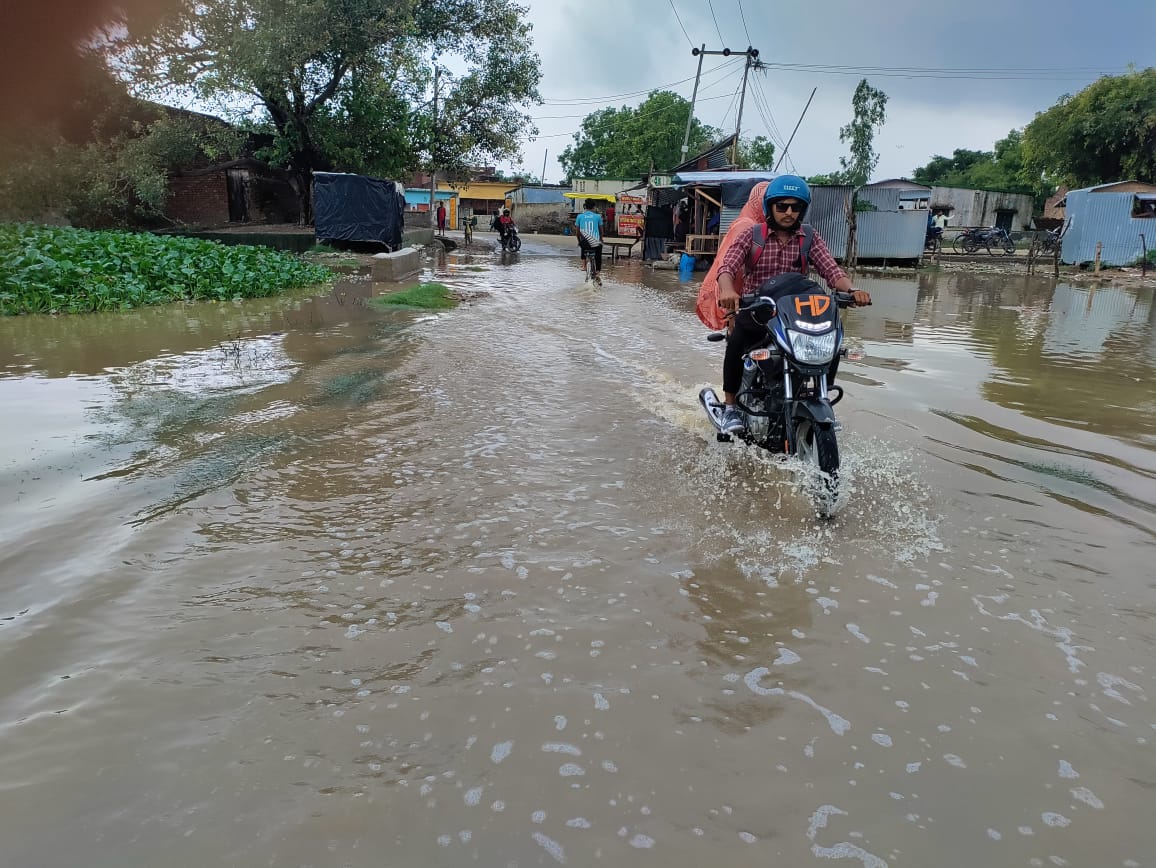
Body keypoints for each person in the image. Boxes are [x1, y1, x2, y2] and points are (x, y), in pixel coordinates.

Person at [714, 175, 871, 435]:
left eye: (795, 207)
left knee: (830, 341)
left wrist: (852, 290)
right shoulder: (752, 235)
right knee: (737, 339)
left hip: (795, 310)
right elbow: (727, 267)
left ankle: (822, 399)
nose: (789, 212)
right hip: (759, 309)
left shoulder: (809, 237)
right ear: (770, 207)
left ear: (802, 209)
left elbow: (832, 271)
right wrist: (728, 289)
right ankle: (730, 406)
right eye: (782, 206)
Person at [575, 198, 603, 284]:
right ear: (594, 207)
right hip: (595, 243)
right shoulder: (598, 216)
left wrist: (579, 241)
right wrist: (601, 239)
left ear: (585, 207)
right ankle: (597, 272)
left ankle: (584, 265)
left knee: (583, 243)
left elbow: (577, 232)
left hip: (585, 243)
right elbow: (601, 231)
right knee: (598, 255)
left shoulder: (579, 216)